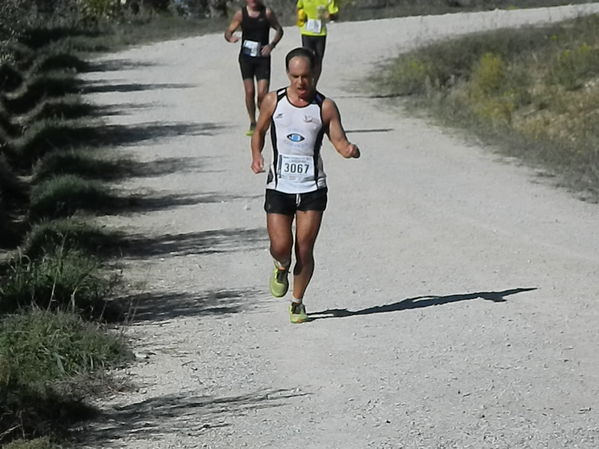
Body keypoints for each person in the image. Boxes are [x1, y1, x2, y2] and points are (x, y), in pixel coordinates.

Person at [251, 47, 360, 324]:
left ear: (315, 75)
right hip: (279, 185)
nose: (301, 83)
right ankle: (280, 266)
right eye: (295, 76)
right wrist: (256, 156)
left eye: (306, 76)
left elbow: (339, 140)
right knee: (281, 245)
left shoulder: (324, 106)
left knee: (304, 249)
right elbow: (259, 130)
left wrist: (348, 149)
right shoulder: (273, 102)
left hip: (312, 188)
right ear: (288, 74)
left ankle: (297, 303)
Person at [225, 0, 284, 136]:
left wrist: (271, 45)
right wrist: (230, 38)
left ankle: (263, 120)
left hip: (262, 58)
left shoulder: (267, 13)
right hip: (246, 58)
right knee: (250, 92)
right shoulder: (241, 14)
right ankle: (253, 121)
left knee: (262, 94)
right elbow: (228, 31)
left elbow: (279, 30)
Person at [296, 0, 339, 82]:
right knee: (307, 59)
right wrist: (300, 17)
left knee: (318, 60)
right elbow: (298, 7)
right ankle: (307, 81)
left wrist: (329, 16)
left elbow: (335, 16)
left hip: (320, 33)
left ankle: (314, 84)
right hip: (306, 31)